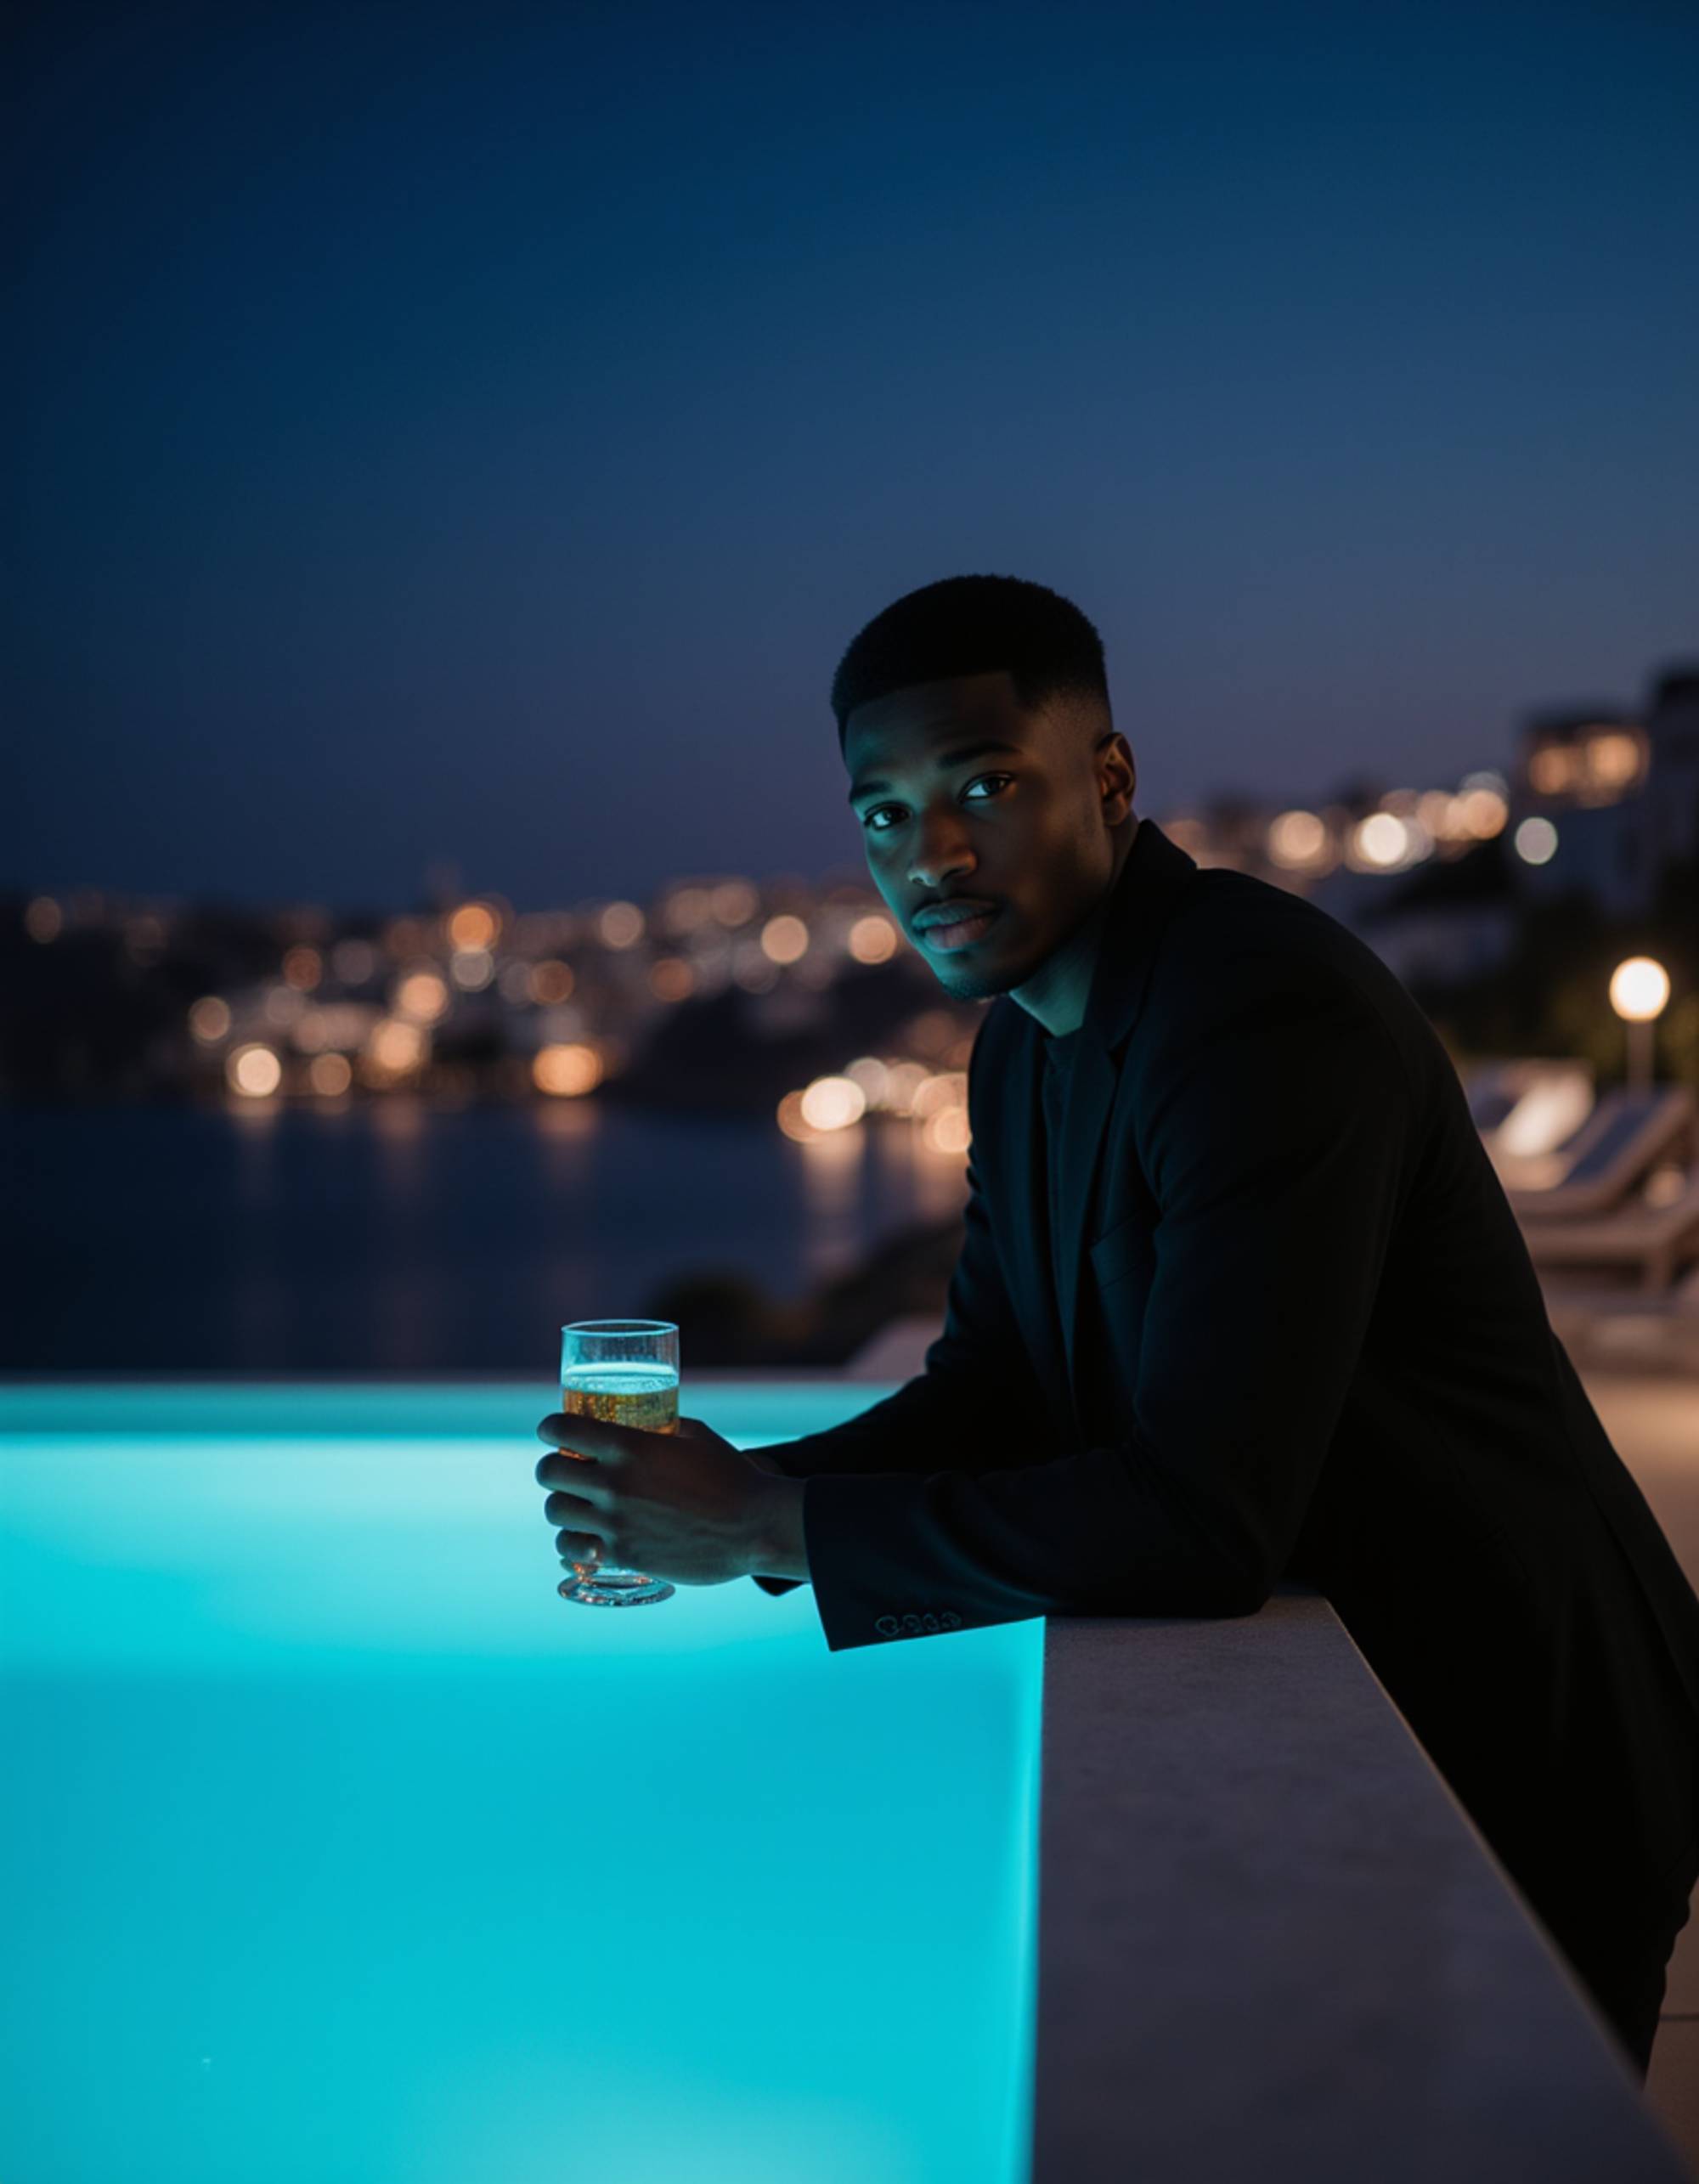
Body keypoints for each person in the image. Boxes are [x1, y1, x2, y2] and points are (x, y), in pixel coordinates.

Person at [539, 573, 1699, 2081]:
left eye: (984, 786)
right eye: (881, 812)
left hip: (1511, 1724)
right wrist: (732, 1490)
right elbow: (995, 1387)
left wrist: (768, 1528)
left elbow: (1202, 1519)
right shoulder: (1024, 1044)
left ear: (1111, 780)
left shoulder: (1259, 1010)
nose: (929, 855)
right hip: (1356, 1702)